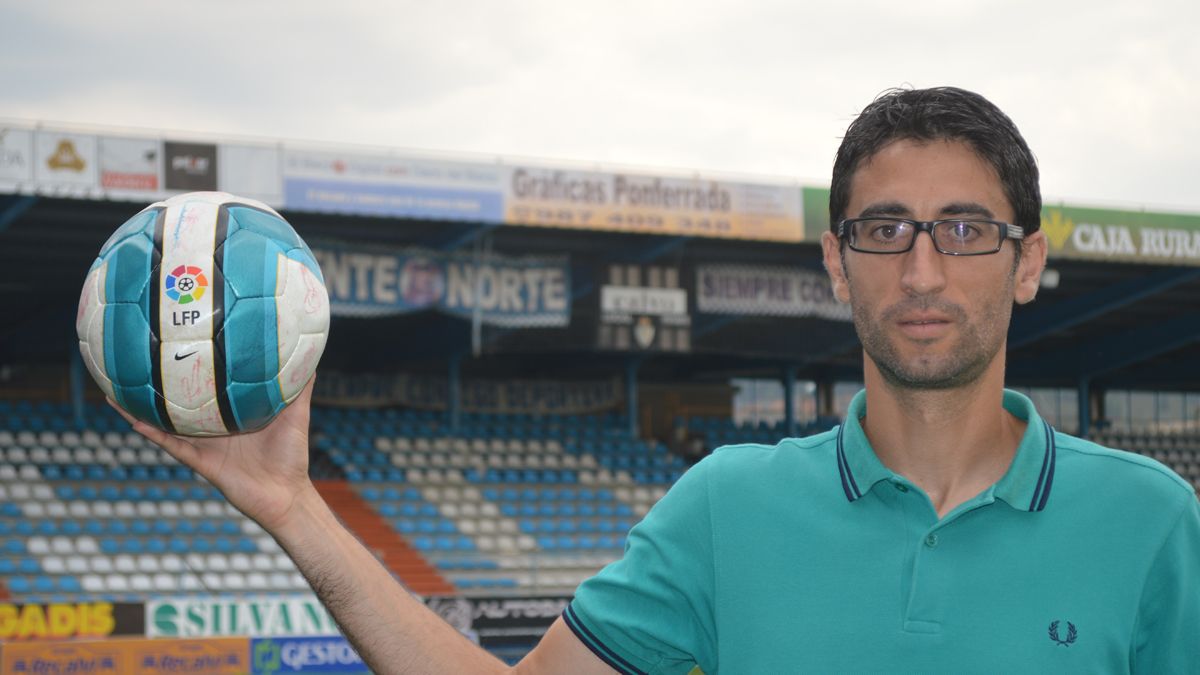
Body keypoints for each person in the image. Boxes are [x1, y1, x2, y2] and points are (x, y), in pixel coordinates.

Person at [118, 87, 1199, 673]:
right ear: (836, 263)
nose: (922, 271)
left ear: (1027, 261)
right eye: (885, 230)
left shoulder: (1151, 522)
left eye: (963, 229)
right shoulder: (728, 505)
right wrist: (296, 508)